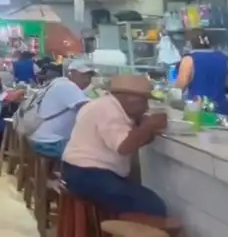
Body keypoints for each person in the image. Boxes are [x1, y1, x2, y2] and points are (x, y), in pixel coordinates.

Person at [62, 75, 170, 219]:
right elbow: (123, 147)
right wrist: (148, 125)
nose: (146, 107)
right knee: (152, 206)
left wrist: (144, 129)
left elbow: (130, 141)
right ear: (131, 98)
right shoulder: (110, 111)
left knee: (137, 196)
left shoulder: (103, 105)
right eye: (144, 101)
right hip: (88, 174)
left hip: (77, 171)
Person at [28, 60, 95, 158]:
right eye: (84, 76)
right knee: (91, 154)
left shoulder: (59, 83)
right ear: (71, 73)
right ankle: (67, 172)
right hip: (50, 143)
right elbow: (88, 110)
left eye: (90, 77)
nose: (87, 80)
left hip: (41, 139)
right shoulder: (68, 86)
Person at [173, 33, 228, 114]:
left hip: (198, 109)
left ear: (190, 43)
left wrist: (169, 99)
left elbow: (180, 86)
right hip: (221, 109)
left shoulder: (189, 59)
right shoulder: (224, 58)